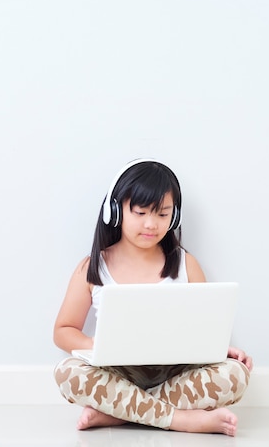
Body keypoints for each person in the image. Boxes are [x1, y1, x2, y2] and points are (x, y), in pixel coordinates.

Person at [53, 159, 253, 436]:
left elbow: (205, 326)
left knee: (236, 374)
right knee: (67, 372)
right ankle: (181, 420)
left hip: (177, 372)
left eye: (162, 215)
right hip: (117, 373)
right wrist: (93, 344)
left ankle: (118, 413)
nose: (151, 224)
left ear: (174, 217)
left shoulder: (186, 263)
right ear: (115, 211)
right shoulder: (93, 267)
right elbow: (63, 331)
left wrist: (221, 349)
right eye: (140, 212)